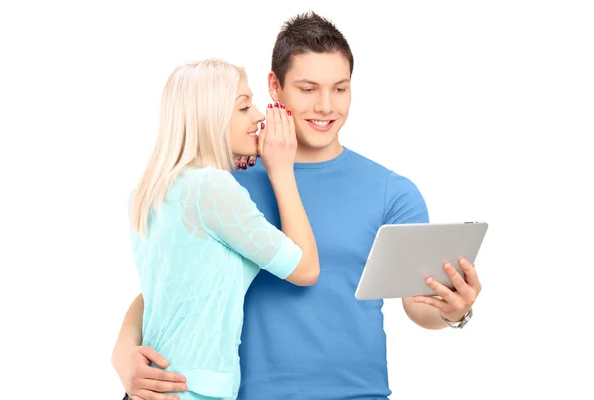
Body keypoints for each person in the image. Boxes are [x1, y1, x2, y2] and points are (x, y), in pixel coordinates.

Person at [112, 11, 483, 400]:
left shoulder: (393, 192)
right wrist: (123, 353)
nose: (326, 106)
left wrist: (455, 311)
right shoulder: (223, 183)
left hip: (357, 394)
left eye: (340, 89)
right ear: (275, 87)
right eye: (308, 89)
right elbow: (173, 282)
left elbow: (419, 303)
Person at [125, 58, 321, 400]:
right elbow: (305, 269)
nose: (259, 116)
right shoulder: (210, 188)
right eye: (244, 107)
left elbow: (162, 291)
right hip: (192, 391)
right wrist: (282, 170)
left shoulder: (150, 191)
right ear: (210, 118)